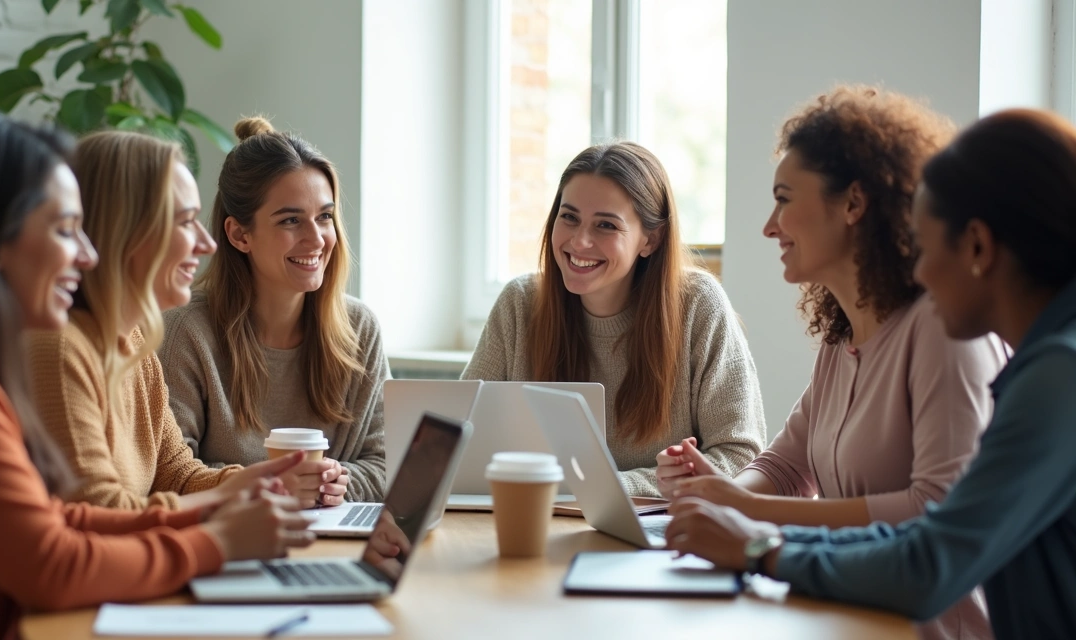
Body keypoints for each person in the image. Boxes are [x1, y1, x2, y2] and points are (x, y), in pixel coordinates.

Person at [0, 113, 312, 638]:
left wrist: (220, 502)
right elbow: (50, 566)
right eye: (63, 230)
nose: (88, 254)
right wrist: (218, 541)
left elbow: (57, 520)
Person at [665, 109, 1076, 640]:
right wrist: (744, 522)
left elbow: (930, 559)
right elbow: (929, 542)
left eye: (927, 249)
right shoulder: (1048, 365)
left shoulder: (1057, 375)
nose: (919, 270)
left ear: (977, 246)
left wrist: (757, 541)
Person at [462, 141, 765, 497]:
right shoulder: (520, 303)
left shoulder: (698, 305)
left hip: (659, 539)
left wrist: (608, 489)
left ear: (650, 239)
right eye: (569, 216)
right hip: (539, 525)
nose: (580, 241)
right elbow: (458, 438)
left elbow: (741, 456)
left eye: (605, 225)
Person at [27, 131, 284, 510]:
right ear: (124, 231)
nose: (207, 244)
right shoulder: (60, 348)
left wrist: (269, 481)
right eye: (184, 221)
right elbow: (100, 511)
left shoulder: (135, 344)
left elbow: (177, 476)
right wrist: (230, 508)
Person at [160, 116, 388, 508]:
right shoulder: (187, 331)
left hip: (332, 537)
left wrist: (335, 482)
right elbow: (170, 475)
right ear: (239, 235)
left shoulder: (359, 328)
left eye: (325, 217)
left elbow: (386, 462)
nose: (316, 239)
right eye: (290, 220)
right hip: (232, 540)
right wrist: (274, 486)